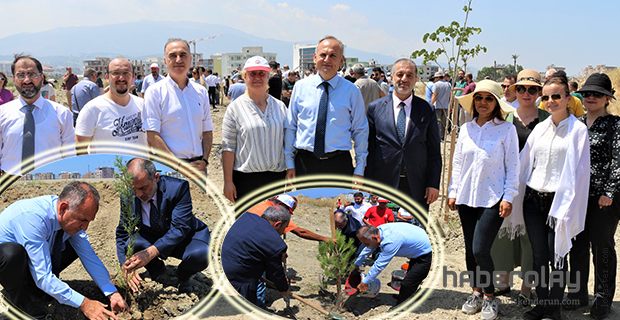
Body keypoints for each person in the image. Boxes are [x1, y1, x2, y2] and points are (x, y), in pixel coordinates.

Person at [513, 74, 590, 320]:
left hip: (560, 202)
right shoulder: (540, 129)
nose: (550, 101)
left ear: (568, 98)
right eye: (546, 97)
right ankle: (542, 304)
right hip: (534, 201)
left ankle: (554, 307)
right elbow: (524, 163)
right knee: (539, 255)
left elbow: (580, 174)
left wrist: (569, 207)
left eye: (556, 96)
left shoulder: (578, 131)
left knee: (557, 255)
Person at [0, 181, 127, 319]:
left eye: (89, 221)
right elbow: (43, 277)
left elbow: (89, 257)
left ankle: (41, 293)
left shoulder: (71, 218)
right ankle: (22, 307)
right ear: (63, 208)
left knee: (75, 246)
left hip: (33, 262)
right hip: (8, 265)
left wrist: (111, 292)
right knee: (12, 253)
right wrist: (85, 304)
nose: (85, 227)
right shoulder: (33, 218)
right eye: (83, 220)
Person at [448, 79, 519, 320]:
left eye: (489, 98)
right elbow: (458, 163)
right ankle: (475, 292)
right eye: (479, 98)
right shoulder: (466, 129)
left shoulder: (506, 130)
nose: (483, 103)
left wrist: (508, 196)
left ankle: (490, 296)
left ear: (497, 102)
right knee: (470, 249)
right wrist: (452, 192)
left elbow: (513, 166)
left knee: (481, 248)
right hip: (466, 197)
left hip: (493, 198)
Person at [490, 69, 548, 302]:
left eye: (532, 89)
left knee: (531, 237)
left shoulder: (546, 119)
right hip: (507, 184)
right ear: (515, 91)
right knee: (501, 235)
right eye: (521, 88)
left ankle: (526, 286)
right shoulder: (506, 117)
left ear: (539, 92)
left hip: (536, 187)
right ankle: (502, 281)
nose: (526, 93)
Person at [566, 73, 619, 319]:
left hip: (604, 199)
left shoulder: (616, 125)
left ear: (607, 98)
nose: (591, 98)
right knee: (576, 246)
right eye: (587, 93)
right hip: (577, 196)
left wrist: (608, 192)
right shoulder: (574, 123)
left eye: (597, 94)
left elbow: (618, 162)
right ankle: (576, 294)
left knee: (602, 247)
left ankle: (602, 298)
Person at [116, 158, 210, 293]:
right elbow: (122, 232)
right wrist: (124, 266)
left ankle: (183, 276)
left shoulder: (178, 188)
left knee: (201, 255)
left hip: (186, 238)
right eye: (134, 189)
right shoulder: (128, 196)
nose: (138, 194)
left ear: (156, 177)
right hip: (152, 236)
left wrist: (149, 253)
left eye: (143, 188)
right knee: (131, 243)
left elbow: (180, 228)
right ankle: (159, 273)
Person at [366, 58, 441, 224]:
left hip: (417, 185)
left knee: (415, 237)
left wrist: (433, 183)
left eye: (409, 75)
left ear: (416, 79)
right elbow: (369, 149)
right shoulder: (375, 108)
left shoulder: (426, 109)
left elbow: (434, 151)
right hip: (384, 183)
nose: (404, 79)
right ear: (391, 77)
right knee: (383, 235)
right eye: (400, 74)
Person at [285, 35, 368, 179]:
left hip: (338, 165)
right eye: (323, 55)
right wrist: (289, 163)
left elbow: (360, 129)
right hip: (305, 164)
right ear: (315, 57)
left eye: (333, 55)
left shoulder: (351, 91)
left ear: (341, 61)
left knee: (340, 202)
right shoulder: (300, 87)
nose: (327, 60)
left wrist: (360, 168)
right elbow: (291, 126)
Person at [222, 56, 287, 202]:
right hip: (246, 180)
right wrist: (228, 182)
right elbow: (228, 148)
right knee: (248, 223)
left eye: (261, 73)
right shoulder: (235, 108)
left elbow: (286, 143)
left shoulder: (280, 107)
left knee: (274, 223)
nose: (257, 77)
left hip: (276, 179)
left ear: (268, 76)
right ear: (245, 76)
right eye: (252, 74)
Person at [143, 38, 213, 174]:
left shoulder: (201, 91)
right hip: (170, 169)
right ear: (165, 61)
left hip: (198, 168)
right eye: (173, 56)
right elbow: (152, 135)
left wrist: (205, 160)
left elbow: (207, 130)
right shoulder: (155, 92)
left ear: (190, 59)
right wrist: (178, 165)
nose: (178, 60)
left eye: (183, 55)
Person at [0, 54, 74, 176]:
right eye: (21, 75)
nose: (27, 80)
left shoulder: (62, 114)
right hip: (8, 183)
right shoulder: (2, 113)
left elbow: (69, 154)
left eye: (32, 74)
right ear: (13, 79)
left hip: (49, 182)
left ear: (41, 77)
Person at [75, 58, 147, 154]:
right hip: (108, 168)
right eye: (116, 73)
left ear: (133, 77)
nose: (121, 78)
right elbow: (80, 151)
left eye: (126, 73)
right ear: (107, 77)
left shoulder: (144, 106)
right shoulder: (92, 109)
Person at [221, 206, 290, 305]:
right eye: (284, 228)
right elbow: (275, 273)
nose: (283, 232)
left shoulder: (246, 217)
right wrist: (284, 289)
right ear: (278, 224)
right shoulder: (276, 243)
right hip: (238, 281)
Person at [354, 224, 432, 304]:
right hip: (417, 246)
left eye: (366, 243)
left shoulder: (390, 241)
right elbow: (368, 248)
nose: (366, 246)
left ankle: (402, 306)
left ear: (375, 238)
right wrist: (356, 264)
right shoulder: (379, 231)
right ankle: (406, 296)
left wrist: (365, 282)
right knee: (410, 279)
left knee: (408, 283)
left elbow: (379, 265)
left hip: (425, 254)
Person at [248, 194, 330, 242]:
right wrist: (325, 239)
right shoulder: (274, 212)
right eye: (288, 210)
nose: (287, 214)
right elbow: (301, 232)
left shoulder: (262, 205)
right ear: (280, 204)